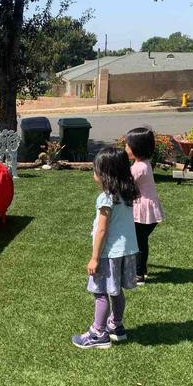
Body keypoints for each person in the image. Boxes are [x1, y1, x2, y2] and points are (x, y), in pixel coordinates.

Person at [71, 147, 140, 349]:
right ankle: (116, 326)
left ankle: (98, 334)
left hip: (108, 254)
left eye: (96, 170)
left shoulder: (106, 198)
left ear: (105, 174)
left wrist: (94, 258)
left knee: (100, 292)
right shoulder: (125, 195)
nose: (94, 173)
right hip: (126, 251)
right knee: (116, 290)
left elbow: (102, 231)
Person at [124, 127, 166, 285]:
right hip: (149, 209)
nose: (125, 149)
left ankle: (139, 274)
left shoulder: (138, 168)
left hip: (143, 210)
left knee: (138, 243)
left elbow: (125, 184)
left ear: (136, 148)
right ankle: (142, 270)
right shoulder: (143, 163)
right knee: (140, 240)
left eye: (127, 146)